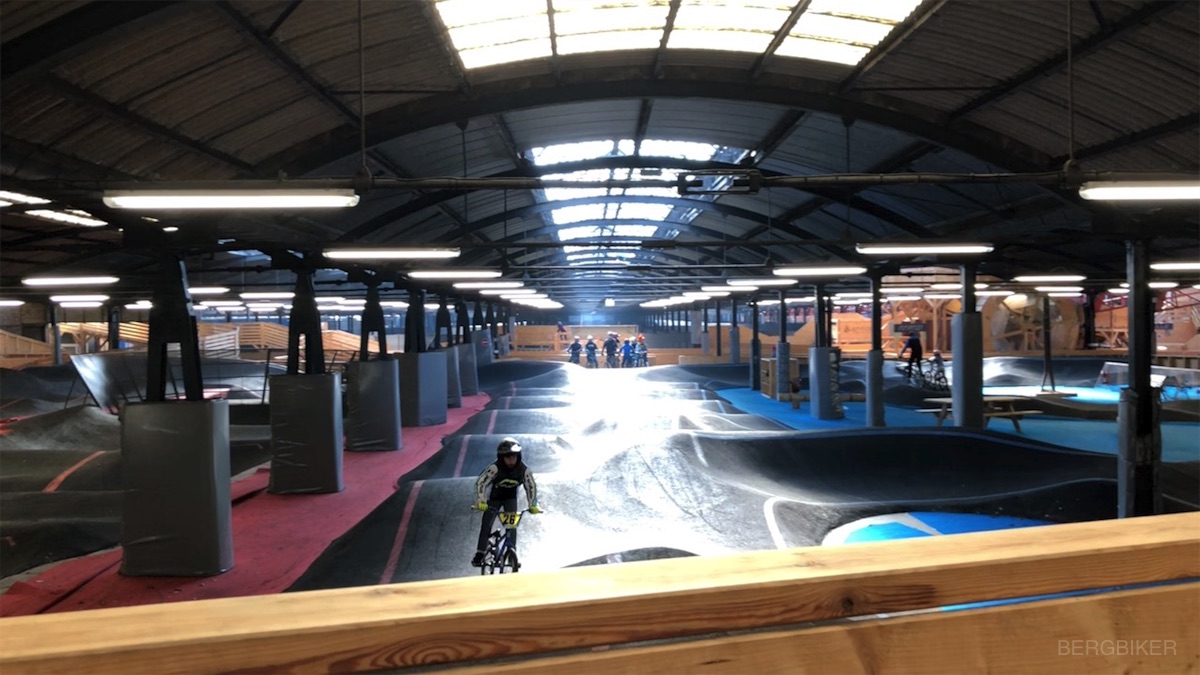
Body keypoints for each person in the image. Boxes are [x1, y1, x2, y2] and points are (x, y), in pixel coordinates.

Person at [472, 437, 540, 567]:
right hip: (494, 499)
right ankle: (480, 552)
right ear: (501, 457)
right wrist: (481, 501)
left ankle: (511, 552)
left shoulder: (524, 470)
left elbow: (531, 486)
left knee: (512, 526)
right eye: (507, 457)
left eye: (514, 456)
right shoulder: (494, 468)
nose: (511, 460)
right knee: (486, 524)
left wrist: (533, 504)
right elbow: (481, 483)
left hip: (510, 498)